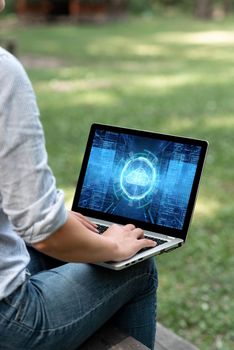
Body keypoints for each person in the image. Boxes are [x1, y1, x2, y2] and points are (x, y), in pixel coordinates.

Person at [0, 1, 158, 349]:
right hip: (9, 323)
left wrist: (55, 219)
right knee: (136, 266)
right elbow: (46, 235)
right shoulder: (3, 72)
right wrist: (112, 246)